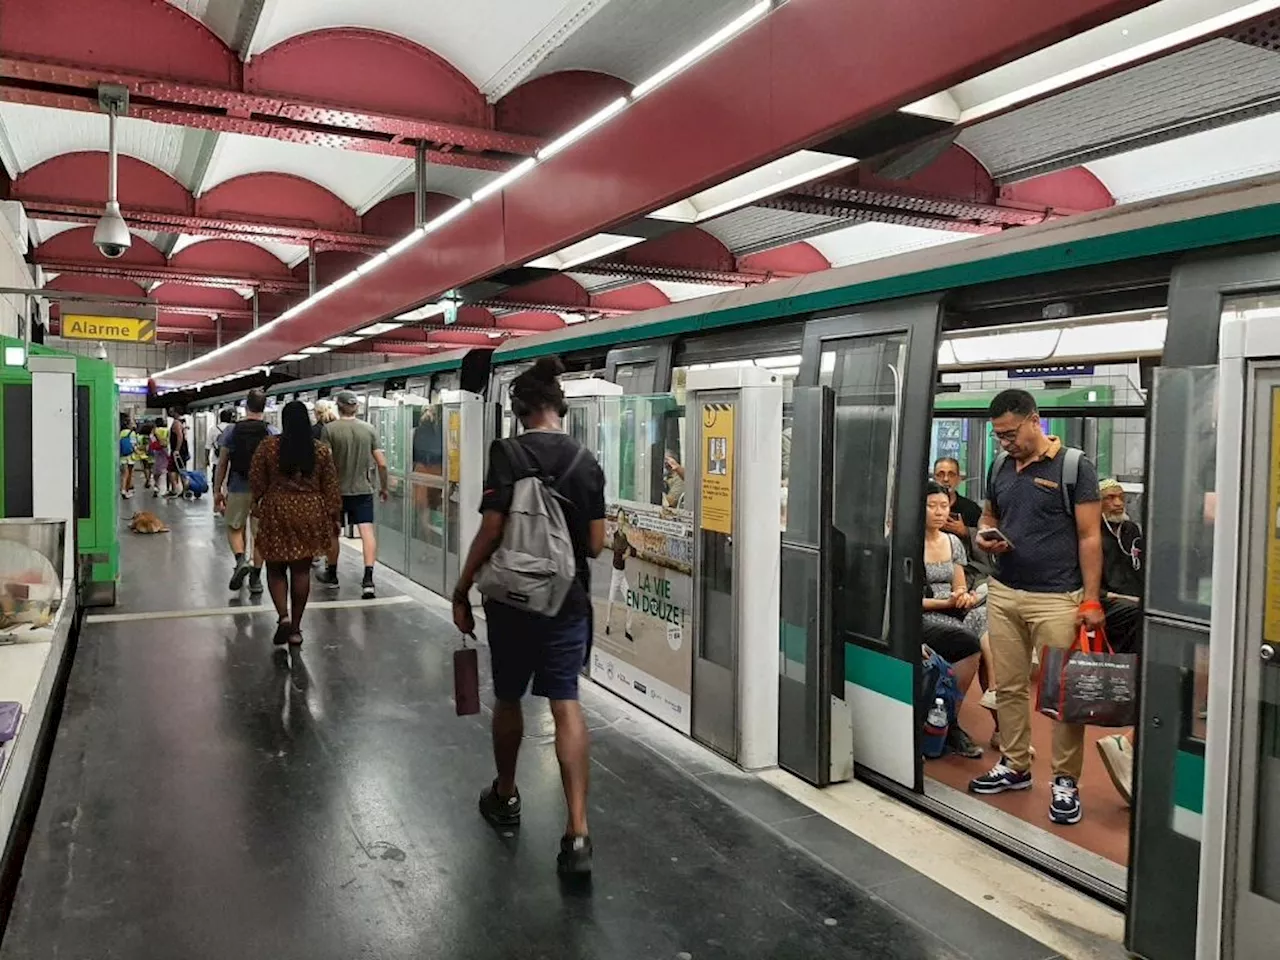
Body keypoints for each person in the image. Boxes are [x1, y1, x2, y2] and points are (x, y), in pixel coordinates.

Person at [451, 356, 606, 877]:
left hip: (512, 601)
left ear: (517, 411)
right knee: (566, 704)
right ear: (560, 406)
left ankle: (507, 795)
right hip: (566, 601)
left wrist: (462, 586)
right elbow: (597, 545)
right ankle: (578, 833)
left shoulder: (507, 453)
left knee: (510, 696)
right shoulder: (586, 460)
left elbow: (492, 530)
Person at [968, 389, 1103, 827]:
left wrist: (1091, 598)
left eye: (1010, 433)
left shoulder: (1072, 467)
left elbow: (1089, 537)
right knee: (1008, 686)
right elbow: (990, 515)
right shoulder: (1000, 466)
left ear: (1034, 421)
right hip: (1005, 591)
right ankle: (1015, 764)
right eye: (998, 436)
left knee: (1061, 696)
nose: (1005, 442)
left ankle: (1065, 780)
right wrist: (982, 535)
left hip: (1057, 597)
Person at [248, 400, 341, 648]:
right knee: (301, 570)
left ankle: (283, 617)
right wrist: (334, 516)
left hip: (276, 509)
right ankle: (297, 630)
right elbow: (330, 486)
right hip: (310, 511)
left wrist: (257, 501)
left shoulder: (268, 447)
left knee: (275, 567)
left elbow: (256, 478)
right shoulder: (320, 450)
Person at [921, 480, 985, 759]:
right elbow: (908, 599)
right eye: (931, 506)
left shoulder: (954, 542)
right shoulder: (907, 542)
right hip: (927, 611)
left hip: (953, 608)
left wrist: (964, 596)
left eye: (944, 506)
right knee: (968, 641)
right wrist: (947, 601)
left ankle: (957, 715)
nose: (939, 512)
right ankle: (951, 721)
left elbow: (959, 584)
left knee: (984, 616)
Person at [1095, 477, 1145, 804]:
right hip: (1106, 601)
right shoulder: (1092, 534)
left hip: (1136, 598)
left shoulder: (1133, 532)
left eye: (1121, 497)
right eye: (1111, 498)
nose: (1117, 503)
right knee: (1138, 620)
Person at [320, 390, 388, 598]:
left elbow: (326, 463)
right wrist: (383, 487)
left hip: (336, 491)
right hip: (363, 490)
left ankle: (332, 574)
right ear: (356, 407)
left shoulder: (329, 430)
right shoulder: (369, 430)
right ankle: (368, 579)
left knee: (334, 532)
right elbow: (382, 463)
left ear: (337, 407)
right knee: (367, 532)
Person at [214, 389, 273, 595]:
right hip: (263, 491)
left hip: (237, 486)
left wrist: (217, 491)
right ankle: (256, 578)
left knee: (234, 527)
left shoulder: (231, 430)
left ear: (246, 406)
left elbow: (222, 464)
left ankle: (240, 560)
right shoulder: (270, 431)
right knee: (260, 535)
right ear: (264, 408)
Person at [605, 513, 636, 641]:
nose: (621, 521)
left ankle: (628, 630)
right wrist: (627, 552)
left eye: (623, 519)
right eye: (619, 519)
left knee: (631, 603)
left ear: (624, 521)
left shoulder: (624, 536)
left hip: (622, 575)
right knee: (611, 600)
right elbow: (618, 549)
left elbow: (633, 551)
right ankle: (607, 623)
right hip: (615, 574)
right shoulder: (616, 535)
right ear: (617, 520)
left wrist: (630, 552)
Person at [933, 457, 982, 537]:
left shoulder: (971, 509)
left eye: (951, 474)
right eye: (941, 475)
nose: (946, 479)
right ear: (934, 479)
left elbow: (983, 539)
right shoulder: (923, 507)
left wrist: (965, 531)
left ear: (958, 479)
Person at [119, 412, 138, 499]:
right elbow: (134, 445)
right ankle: (127, 489)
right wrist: (138, 452)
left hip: (122, 455)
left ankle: (123, 489)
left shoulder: (120, 432)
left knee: (124, 474)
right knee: (130, 473)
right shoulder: (132, 433)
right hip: (130, 456)